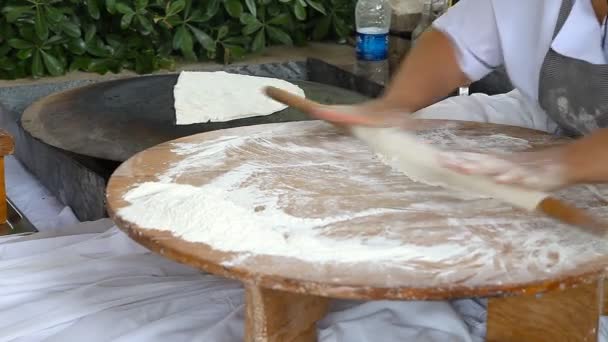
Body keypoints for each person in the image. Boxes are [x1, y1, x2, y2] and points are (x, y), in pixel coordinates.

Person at [312, 0, 608, 192]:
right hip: (549, 111)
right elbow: (457, 42)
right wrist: (392, 106)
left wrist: (555, 165)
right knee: (432, 127)